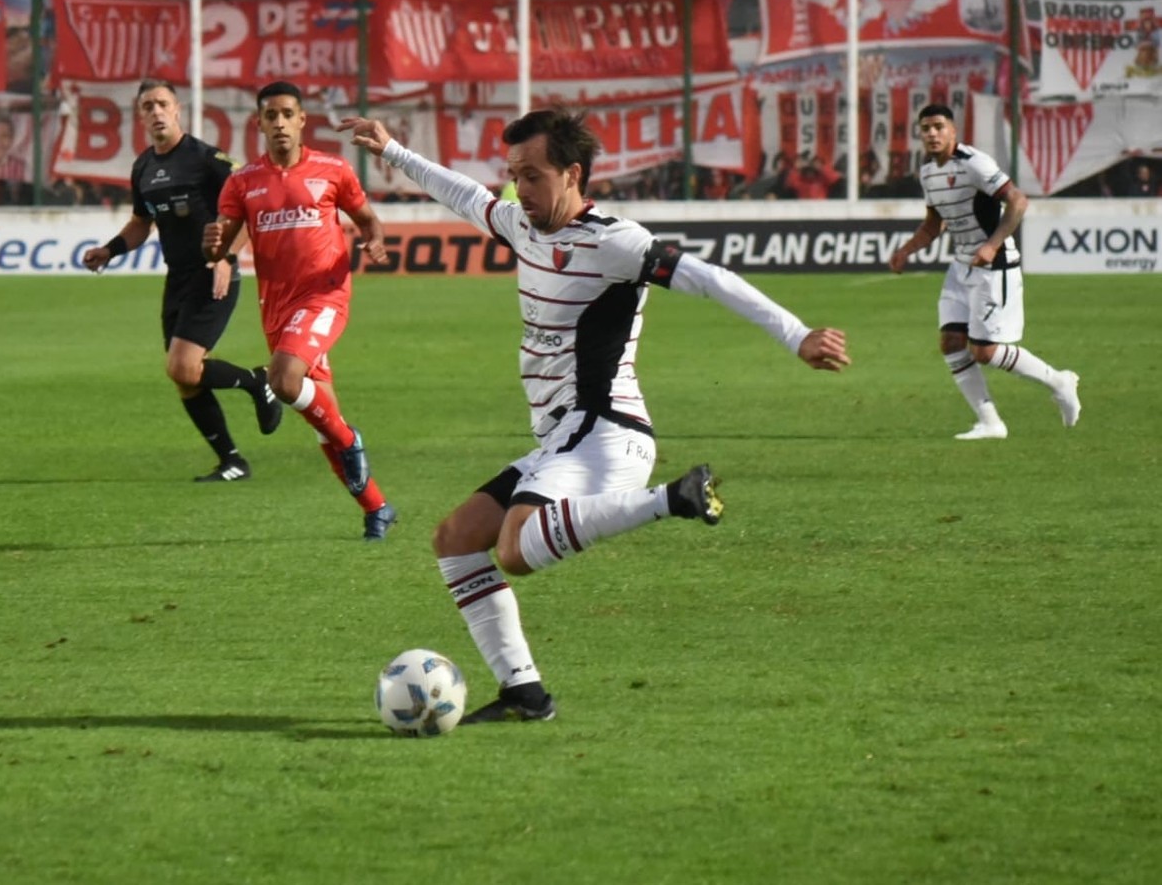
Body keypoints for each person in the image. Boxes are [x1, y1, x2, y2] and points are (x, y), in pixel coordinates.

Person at [342, 108, 850, 723]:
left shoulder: (614, 241)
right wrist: (394, 150)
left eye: (532, 176)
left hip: (606, 431)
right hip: (564, 438)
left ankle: (676, 497)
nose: (519, 190)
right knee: (456, 541)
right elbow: (462, 193)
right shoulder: (521, 225)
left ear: (573, 173)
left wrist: (797, 335)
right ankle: (524, 693)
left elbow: (709, 278)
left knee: (515, 549)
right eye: (514, 176)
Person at [202, 81, 397, 540]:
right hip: (277, 307)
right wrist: (213, 247)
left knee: (285, 379)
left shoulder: (333, 169)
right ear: (260, 123)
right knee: (321, 417)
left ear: (302, 119)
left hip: (325, 294)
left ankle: (353, 442)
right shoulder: (242, 182)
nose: (280, 123)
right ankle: (377, 507)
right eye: (271, 116)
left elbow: (366, 217)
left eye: (288, 113)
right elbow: (221, 243)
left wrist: (375, 238)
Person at [81, 80, 282, 482]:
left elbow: (250, 208)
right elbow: (142, 222)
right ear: (140, 116)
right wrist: (111, 249)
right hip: (177, 280)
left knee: (183, 366)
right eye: (147, 106)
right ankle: (232, 461)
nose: (155, 112)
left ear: (177, 110)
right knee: (184, 379)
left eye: (162, 104)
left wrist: (226, 256)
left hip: (213, 275)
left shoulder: (207, 159)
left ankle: (258, 381)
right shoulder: (143, 167)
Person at [889, 104, 1080, 440]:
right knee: (951, 342)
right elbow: (934, 224)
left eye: (938, 126)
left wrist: (992, 244)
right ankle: (990, 422)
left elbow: (1018, 201)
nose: (931, 134)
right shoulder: (928, 172)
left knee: (985, 352)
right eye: (925, 128)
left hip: (996, 265)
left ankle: (1059, 380)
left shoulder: (975, 163)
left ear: (953, 130)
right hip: (961, 265)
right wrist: (906, 250)